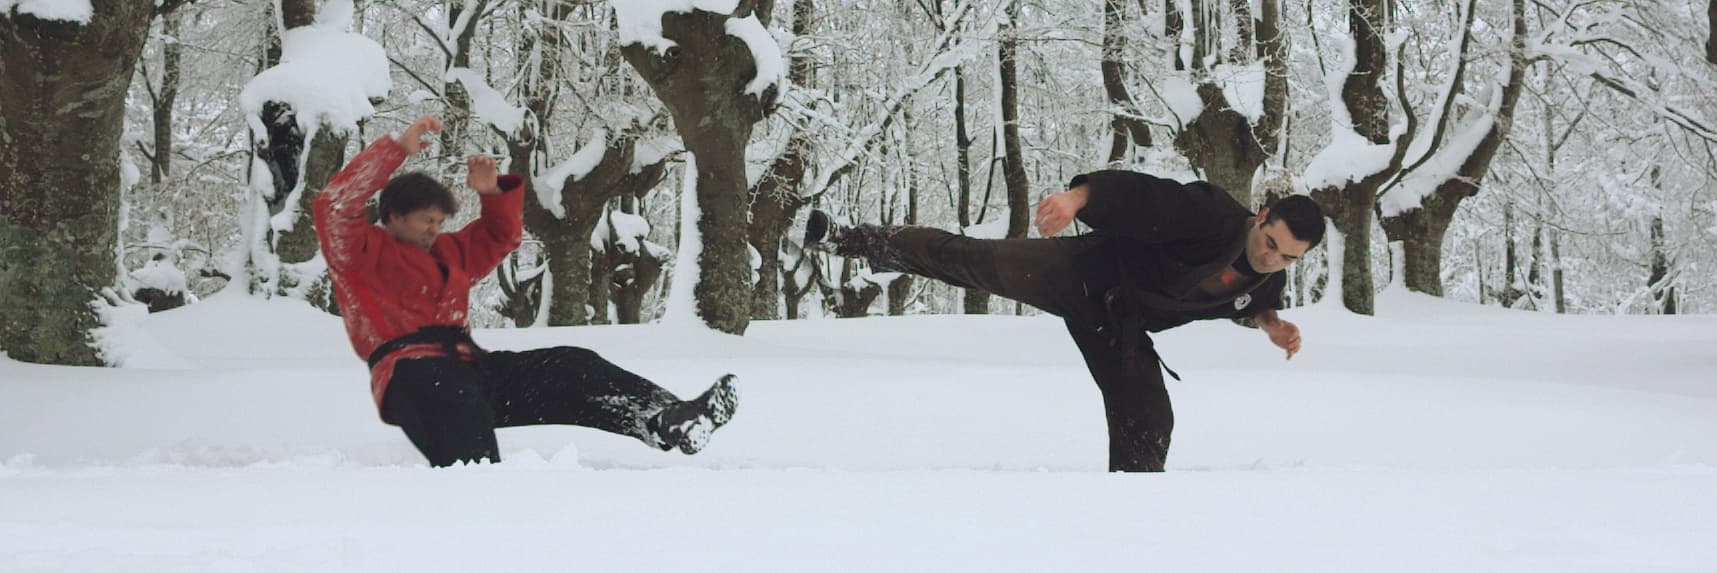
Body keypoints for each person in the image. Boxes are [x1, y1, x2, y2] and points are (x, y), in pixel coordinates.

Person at [805, 170, 1323, 472]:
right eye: (1269, 241)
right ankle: (851, 239)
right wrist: (1081, 198)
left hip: (1119, 327)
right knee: (974, 260)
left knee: (1149, 419)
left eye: (1287, 257)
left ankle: (1127, 522)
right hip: (1087, 273)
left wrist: (1270, 324)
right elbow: (1149, 198)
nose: (1271, 257)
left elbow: (1249, 301)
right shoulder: (1211, 217)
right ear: (1260, 218)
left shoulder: (1268, 280)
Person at [314, 115, 737, 467]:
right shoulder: (360, 252)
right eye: (426, 220)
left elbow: (501, 237)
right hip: (409, 378)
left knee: (572, 364)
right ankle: (477, 500)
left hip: (470, 370)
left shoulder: (450, 252)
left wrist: (492, 193)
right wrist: (396, 148)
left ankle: (667, 418)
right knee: (455, 398)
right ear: (393, 216)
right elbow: (334, 203)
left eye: (440, 221)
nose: (435, 230)